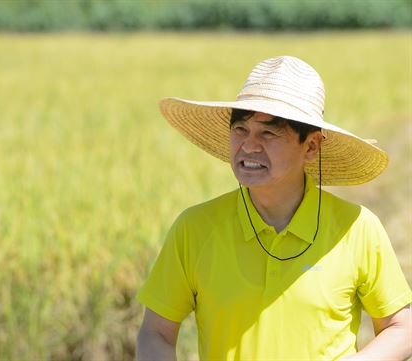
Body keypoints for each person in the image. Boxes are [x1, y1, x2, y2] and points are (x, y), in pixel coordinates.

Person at [136, 56, 412, 360]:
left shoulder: (357, 228)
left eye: (268, 133)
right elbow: (156, 333)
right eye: (240, 129)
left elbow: (401, 328)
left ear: (311, 147)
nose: (249, 145)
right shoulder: (194, 228)